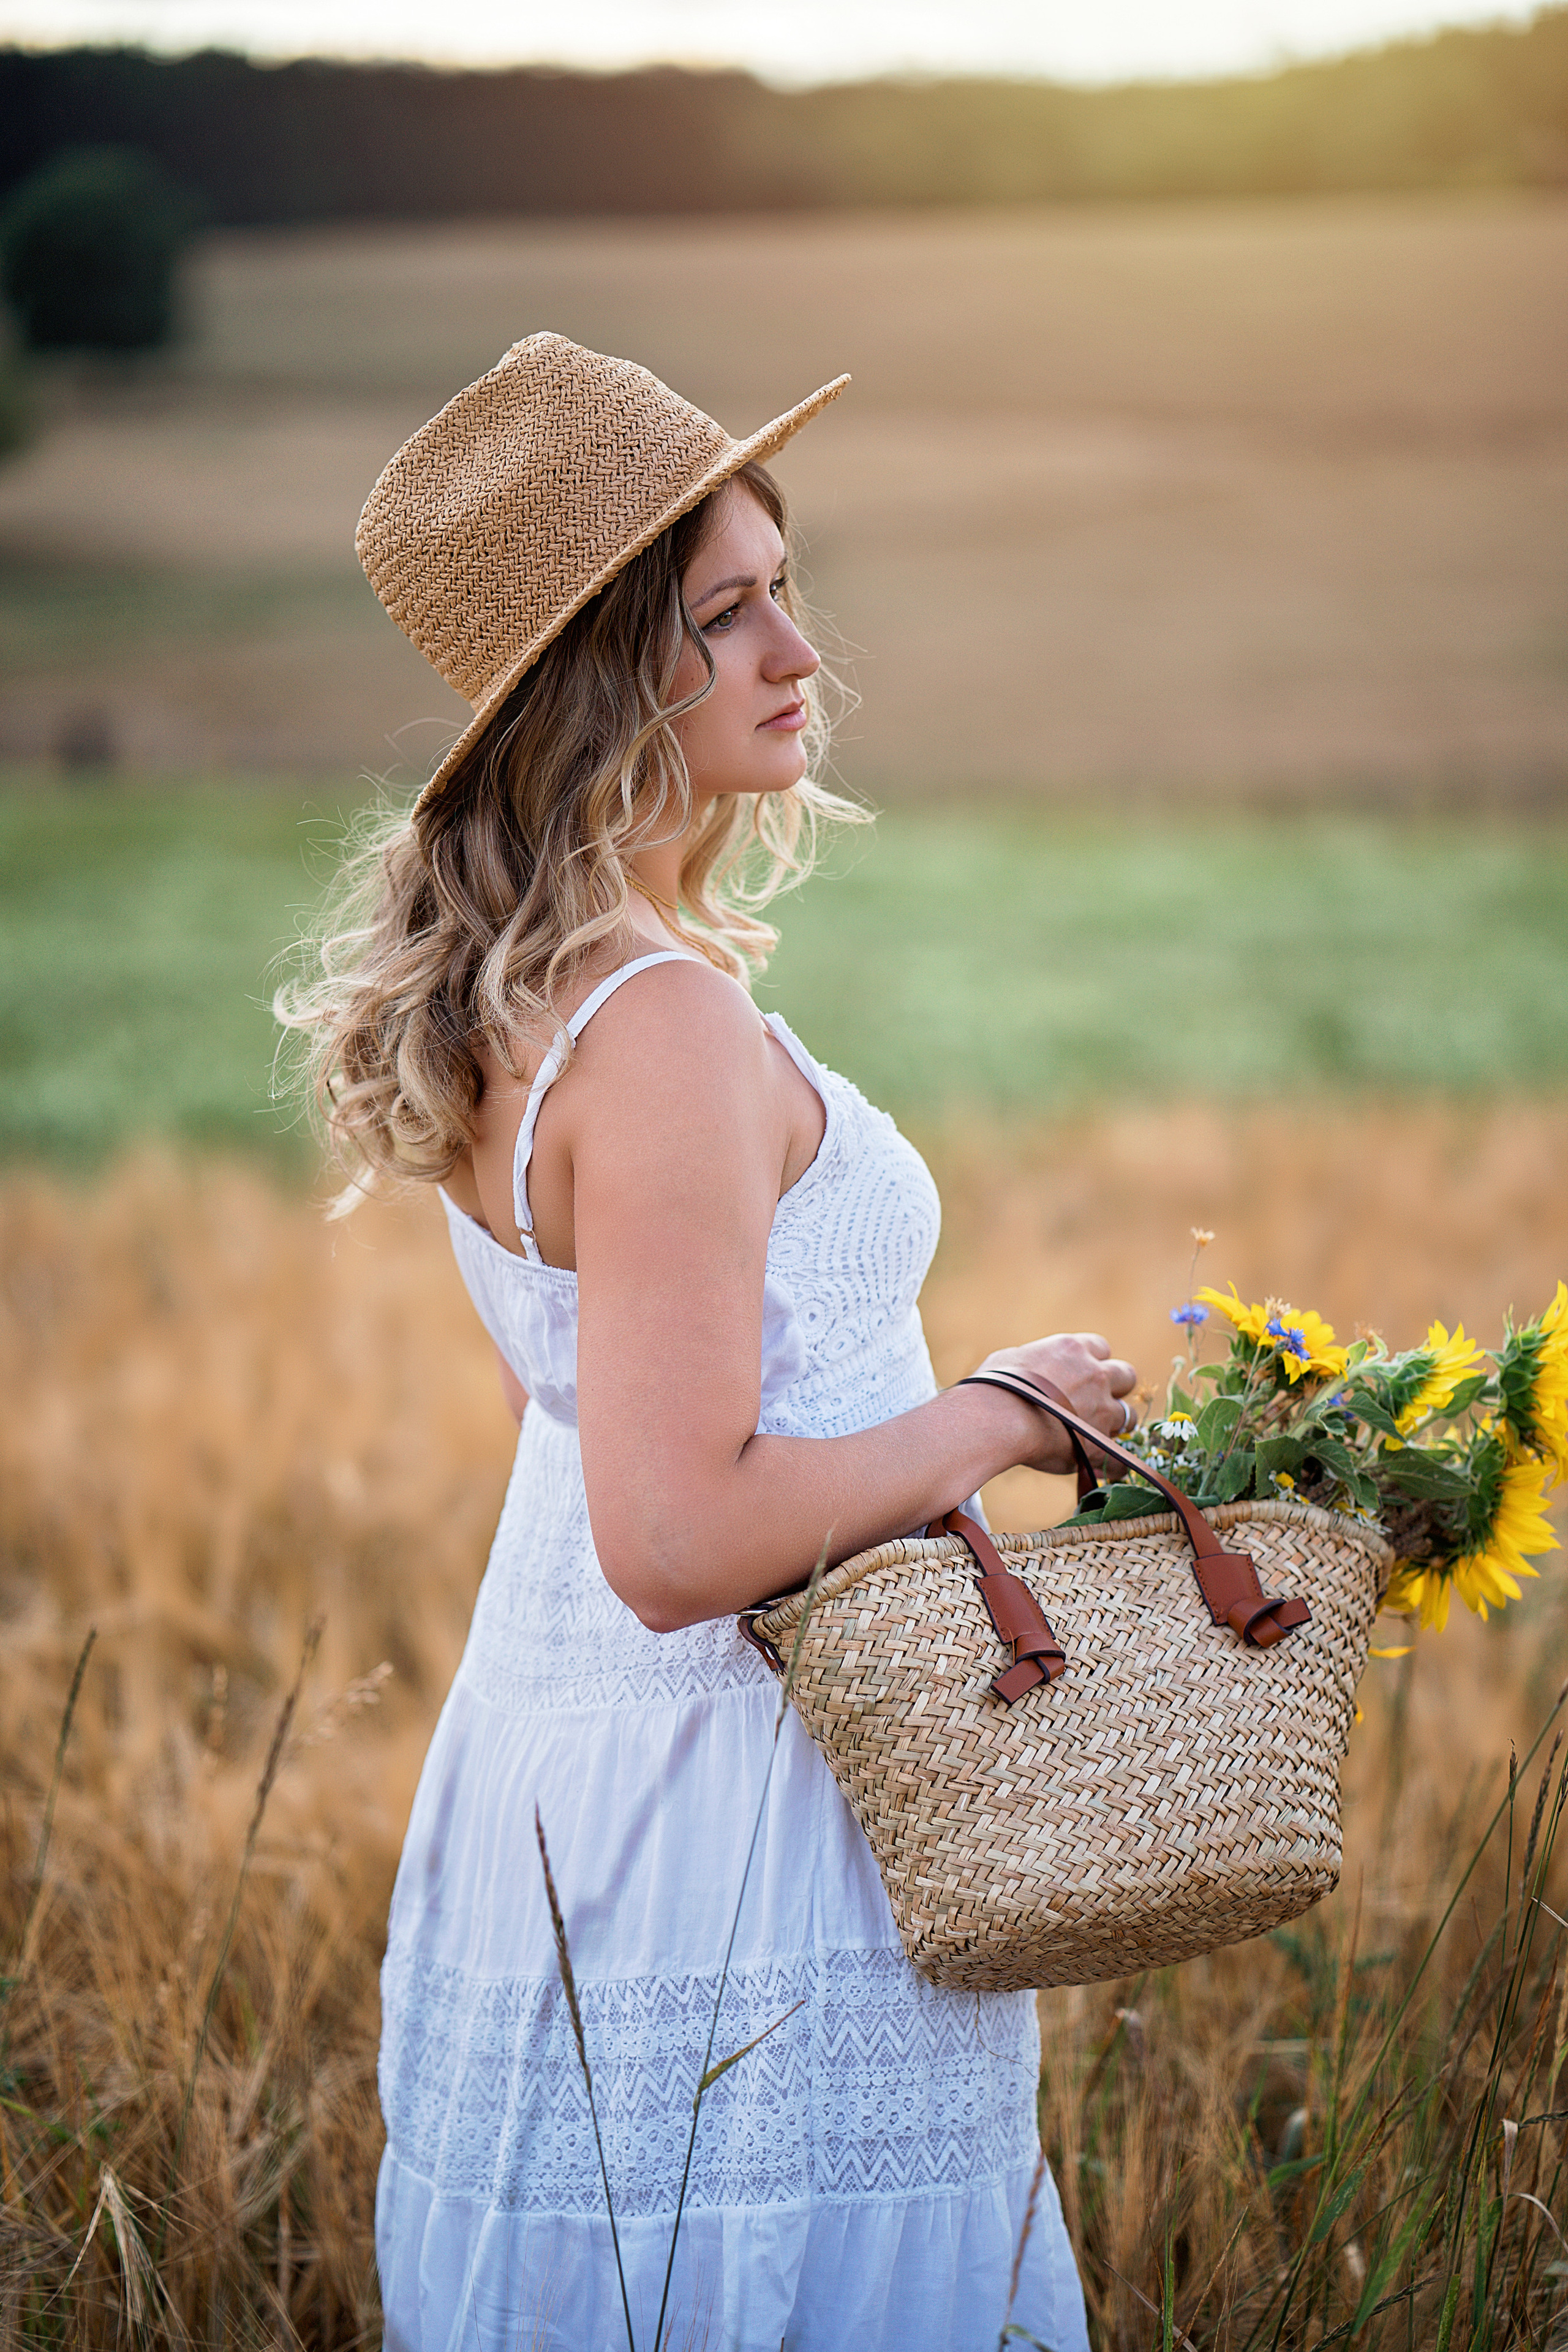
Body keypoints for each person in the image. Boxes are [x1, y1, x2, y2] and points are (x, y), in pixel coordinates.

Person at [283, 334, 1140, 2352]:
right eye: (726, 613)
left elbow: (569, 1423)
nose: (795, 649)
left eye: (784, 586)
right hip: (745, 1799)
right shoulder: (656, 1024)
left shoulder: (536, 1000)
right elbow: (671, 1536)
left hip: (586, 1775)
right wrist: (991, 1414)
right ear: (599, 680)